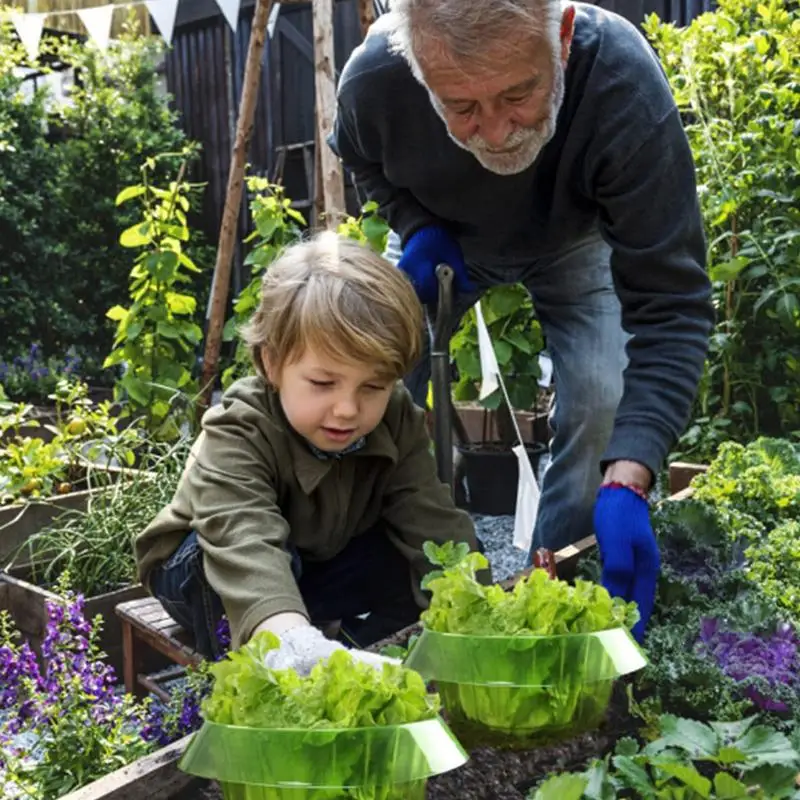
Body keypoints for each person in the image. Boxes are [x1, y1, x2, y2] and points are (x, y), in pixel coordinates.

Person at [328, 0, 714, 641]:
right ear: (418, 69)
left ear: (561, 36)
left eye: (519, 94)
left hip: (577, 238)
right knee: (363, 380)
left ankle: (551, 598)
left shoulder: (621, 85)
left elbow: (670, 302)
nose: (499, 131)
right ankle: (367, 582)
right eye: (462, 108)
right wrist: (417, 226)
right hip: (445, 238)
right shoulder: (376, 80)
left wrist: (632, 470)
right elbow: (363, 159)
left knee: (602, 404)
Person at [134, 232, 486, 671]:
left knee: (434, 559)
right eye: (323, 383)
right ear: (271, 363)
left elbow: (430, 518)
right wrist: (289, 639)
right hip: (205, 566)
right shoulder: (238, 426)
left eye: (373, 386)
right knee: (229, 568)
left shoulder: (397, 418)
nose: (347, 409)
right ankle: (274, 662)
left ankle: (360, 661)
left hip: (314, 563)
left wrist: (475, 609)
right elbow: (243, 535)